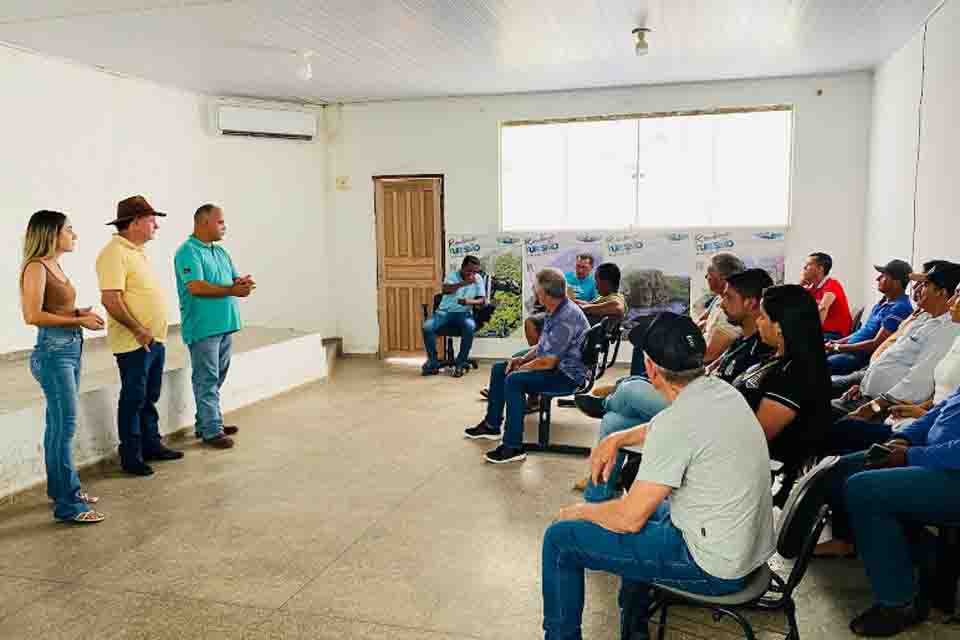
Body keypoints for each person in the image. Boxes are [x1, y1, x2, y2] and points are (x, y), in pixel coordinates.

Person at [542, 313, 775, 640]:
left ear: (651, 368)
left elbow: (628, 520)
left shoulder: (678, 423)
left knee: (561, 538)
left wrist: (575, 512)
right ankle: (633, 629)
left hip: (713, 565)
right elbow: (667, 425)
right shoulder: (719, 391)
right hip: (741, 547)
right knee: (640, 511)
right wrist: (617, 438)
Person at [577, 268, 775, 500]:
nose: (721, 305)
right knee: (614, 422)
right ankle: (599, 495)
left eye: (729, 298)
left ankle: (606, 402)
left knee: (629, 390)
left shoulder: (760, 351)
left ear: (751, 303)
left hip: (705, 416)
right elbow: (711, 370)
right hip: (697, 400)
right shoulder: (740, 340)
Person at [815, 386, 960, 636]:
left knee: (865, 489)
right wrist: (905, 439)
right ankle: (919, 556)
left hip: (952, 473)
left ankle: (899, 604)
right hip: (937, 459)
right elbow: (940, 413)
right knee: (840, 469)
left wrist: (912, 455)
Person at [20, 211, 107, 524]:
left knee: (58, 426)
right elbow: (32, 315)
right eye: (69, 230)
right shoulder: (36, 267)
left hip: (69, 349)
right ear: (52, 233)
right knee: (64, 429)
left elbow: (52, 308)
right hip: (54, 354)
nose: (75, 235)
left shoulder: (54, 265)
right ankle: (68, 505)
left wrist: (76, 312)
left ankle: (62, 490)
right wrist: (77, 320)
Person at [820, 267, 960, 457]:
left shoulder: (947, 330)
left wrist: (871, 408)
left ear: (941, 292)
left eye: (925, 284)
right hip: (878, 399)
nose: (917, 289)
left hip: (888, 408)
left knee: (831, 423)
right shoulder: (924, 318)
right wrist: (862, 386)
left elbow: (919, 382)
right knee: (819, 413)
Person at [464, 268, 589, 464]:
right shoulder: (556, 308)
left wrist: (521, 369)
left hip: (567, 376)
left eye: (536, 288)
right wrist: (521, 361)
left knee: (514, 380)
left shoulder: (565, 317)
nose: (534, 291)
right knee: (501, 368)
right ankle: (491, 425)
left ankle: (513, 446)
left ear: (545, 294)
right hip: (558, 365)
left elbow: (548, 361)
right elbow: (542, 346)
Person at [96, 195, 183, 477]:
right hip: (134, 341)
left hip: (153, 339)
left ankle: (151, 445)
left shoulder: (135, 251)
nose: (156, 225)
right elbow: (111, 299)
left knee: (149, 395)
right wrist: (137, 329)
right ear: (134, 222)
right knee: (134, 397)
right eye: (151, 220)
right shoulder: (113, 253)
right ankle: (131, 455)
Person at [729, 284, 833, 502]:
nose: (758, 322)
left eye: (763, 317)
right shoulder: (778, 357)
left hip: (755, 473)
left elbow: (755, 437)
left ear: (780, 327)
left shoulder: (795, 374)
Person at [174, 204, 254, 449]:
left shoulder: (220, 253)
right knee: (206, 379)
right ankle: (211, 431)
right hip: (203, 328)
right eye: (220, 222)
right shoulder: (187, 252)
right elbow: (196, 286)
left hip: (225, 324)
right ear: (204, 222)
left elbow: (232, 279)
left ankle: (208, 422)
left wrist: (242, 283)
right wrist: (232, 290)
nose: (224, 226)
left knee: (217, 377)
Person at [826, 260, 914, 375]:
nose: (877, 279)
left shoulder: (900, 308)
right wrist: (837, 342)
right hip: (848, 350)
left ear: (896, 282)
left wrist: (839, 347)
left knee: (820, 365)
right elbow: (864, 331)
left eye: (883, 276)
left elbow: (875, 344)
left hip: (859, 358)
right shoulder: (882, 303)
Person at [422, 255, 485, 377]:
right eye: (469, 270)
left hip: (464, 314)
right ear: (462, 267)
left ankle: (460, 363)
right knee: (427, 327)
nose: (472, 274)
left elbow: (482, 300)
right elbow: (446, 289)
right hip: (444, 313)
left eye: (475, 271)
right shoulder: (452, 276)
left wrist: (468, 302)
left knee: (470, 327)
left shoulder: (478, 279)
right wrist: (465, 283)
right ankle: (433, 362)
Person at [523, 254, 598, 345]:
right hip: (556, 310)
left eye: (584, 267)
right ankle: (540, 352)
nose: (580, 270)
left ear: (591, 268)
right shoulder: (565, 277)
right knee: (530, 322)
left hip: (575, 315)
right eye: (578, 266)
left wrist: (576, 302)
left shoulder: (594, 283)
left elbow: (595, 305)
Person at [696, 253, 745, 364]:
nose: (706, 277)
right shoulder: (718, 297)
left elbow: (708, 356)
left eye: (708, 274)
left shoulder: (733, 313)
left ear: (722, 277)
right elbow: (702, 321)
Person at [801, 252, 852, 340]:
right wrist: (800, 284)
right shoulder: (812, 288)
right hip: (825, 332)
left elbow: (823, 308)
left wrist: (811, 333)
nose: (804, 267)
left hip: (835, 334)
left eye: (808, 264)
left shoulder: (832, 284)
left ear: (820, 269)